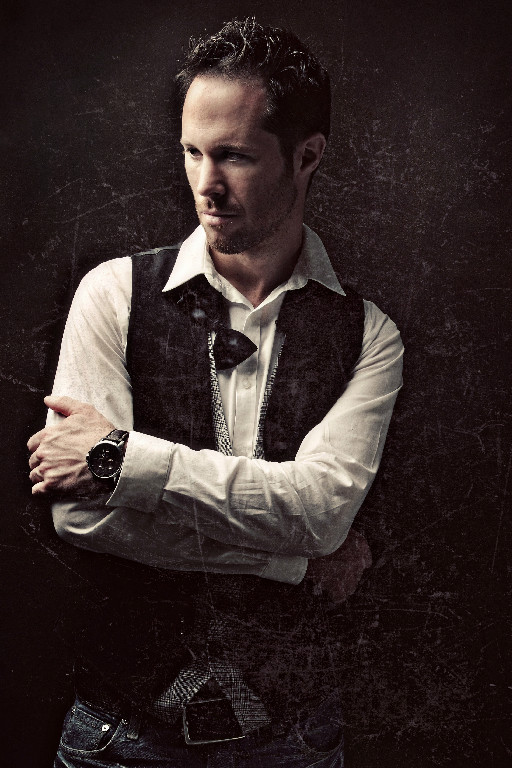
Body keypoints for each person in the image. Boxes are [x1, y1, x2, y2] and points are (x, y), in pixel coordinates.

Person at [27, 18, 403, 768]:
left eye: (234, 155)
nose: (206, 184)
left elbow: (320, 512)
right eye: (192, 152)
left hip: (292, 742)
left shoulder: (370, 335)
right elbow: (82, 516)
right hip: (119, 740)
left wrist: (120, 460)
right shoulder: (112, 294)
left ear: (307, 156)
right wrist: (294, 562)